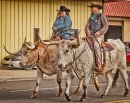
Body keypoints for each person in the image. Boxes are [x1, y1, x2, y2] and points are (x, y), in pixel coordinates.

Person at [85, 2, 108, 72]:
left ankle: (99, 63)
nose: (91, 9)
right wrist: (88, 31)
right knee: (84, 43)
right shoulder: (91, 17)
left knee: (96, 45)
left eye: (92, 7)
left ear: (96, 8)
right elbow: (87, 26)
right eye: (91, 7)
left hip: (99, 35)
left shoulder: (102, 16)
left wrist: (99, 32)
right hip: (91, 35)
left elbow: (105, 26)